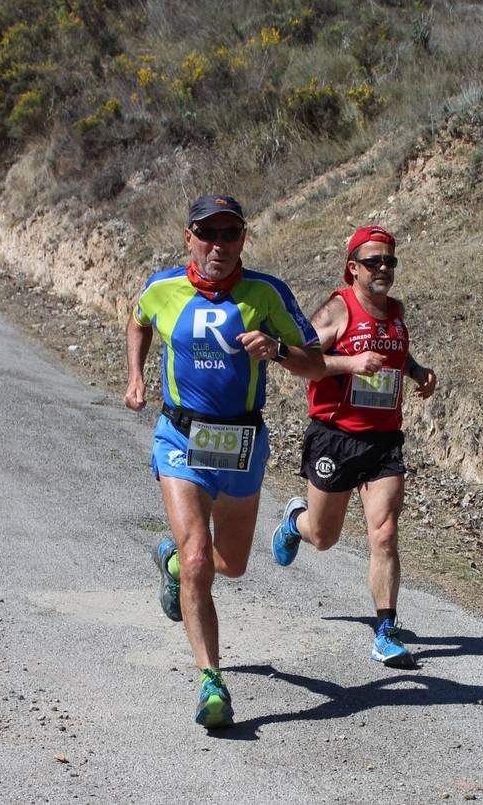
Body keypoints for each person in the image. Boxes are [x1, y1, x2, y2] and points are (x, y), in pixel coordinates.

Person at [124, 194, 323, 729]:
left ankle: (170, 566)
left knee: (229, 565)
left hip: (240, 444)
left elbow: (317, 364)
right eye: (206, 233)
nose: (218, 245)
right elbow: (138, 320)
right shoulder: (162, 287)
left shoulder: (267, 293)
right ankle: (212, 680)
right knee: (197, 560)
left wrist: (278, 352)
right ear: (188, 236)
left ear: (243, 239)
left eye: (229, 234)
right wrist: (137, 376)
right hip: (179, 438)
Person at [271, 225, 436, 667]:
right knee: (324, 537)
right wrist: (350, 363)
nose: (383, 268)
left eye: (390, 261)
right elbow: (298, 361)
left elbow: (394, 355)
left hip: (384, 439)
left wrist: (417, 372)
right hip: (335, 436)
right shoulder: (336, 311)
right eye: (373, 261)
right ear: (352, 268)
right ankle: (294, 522)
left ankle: (386, 630)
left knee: (384, 532)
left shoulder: (396, 312)